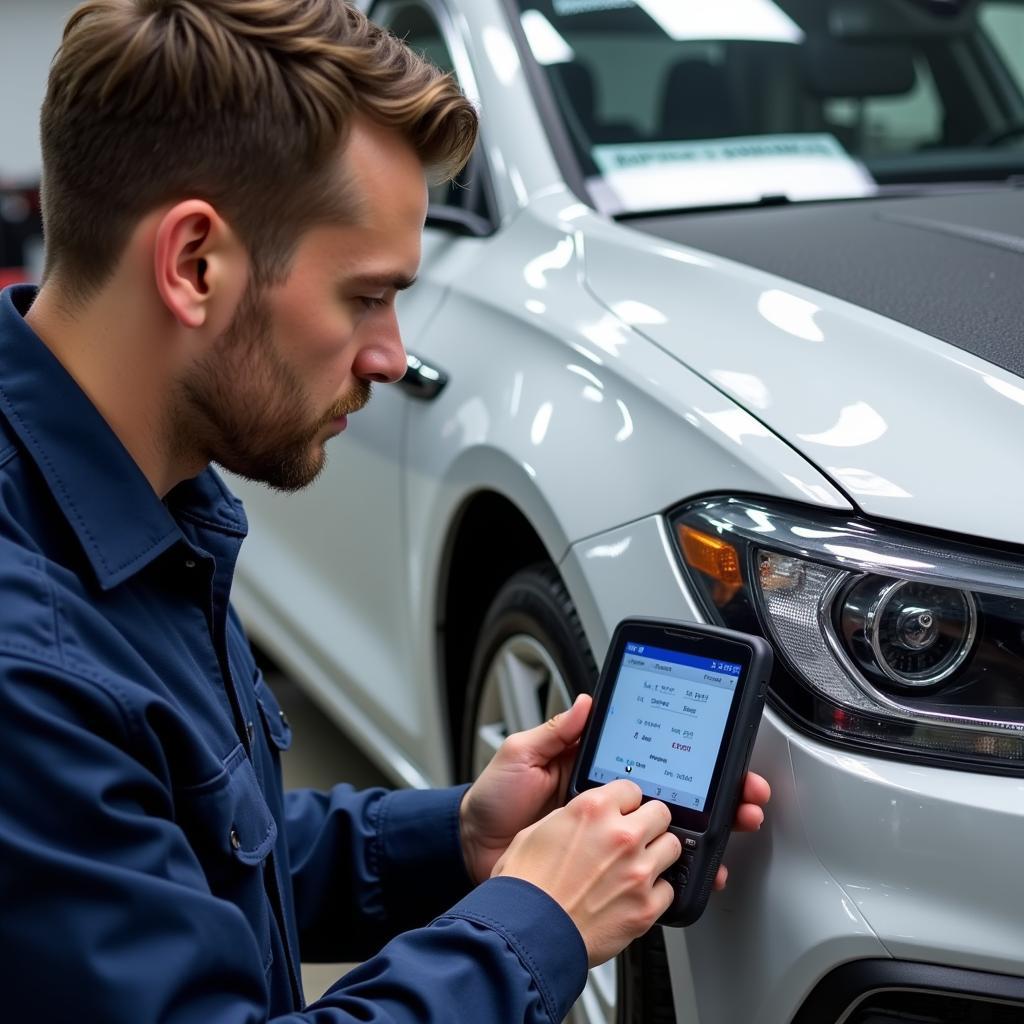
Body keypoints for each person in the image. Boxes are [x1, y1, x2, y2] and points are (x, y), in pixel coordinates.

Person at [0, 2, 771, 1021]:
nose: (391, 354)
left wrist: (457, 835)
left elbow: (183, 852)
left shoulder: (138, 499)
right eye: (365, 295)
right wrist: (535, 918)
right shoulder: (29, 660)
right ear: (194, 265)